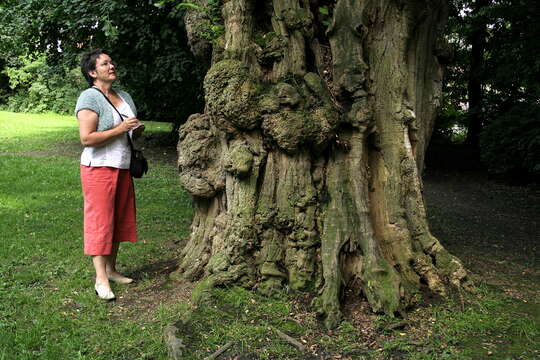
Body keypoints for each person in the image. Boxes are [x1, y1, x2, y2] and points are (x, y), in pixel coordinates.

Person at [75, 49, 144, 300]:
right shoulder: (89, 98)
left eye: (111, 62)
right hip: (98, 168)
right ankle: (100, 279)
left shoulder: (123, 96)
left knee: (118, 219)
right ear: (93, 72)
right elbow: (86, 138)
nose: (111, 66)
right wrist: (121, 128)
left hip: (123, 165)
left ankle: (112, 270)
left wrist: (135, 131)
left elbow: (129, 129)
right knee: (100, 222)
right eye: (105, 64)